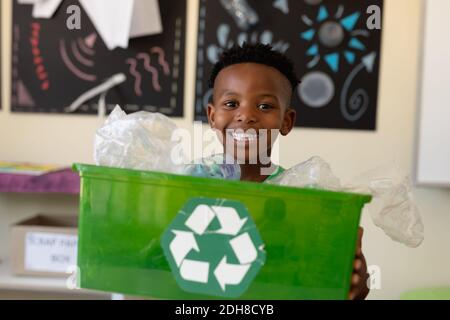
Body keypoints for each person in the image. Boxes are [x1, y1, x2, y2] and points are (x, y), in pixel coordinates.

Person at [205, 42, 370, 299]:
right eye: (231, 103)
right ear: (212, 116)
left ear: (286, 121)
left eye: (264, 106)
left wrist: (355, 279)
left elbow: (346, 286)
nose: (245, 115)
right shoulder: (186, 182)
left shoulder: (303, 195)